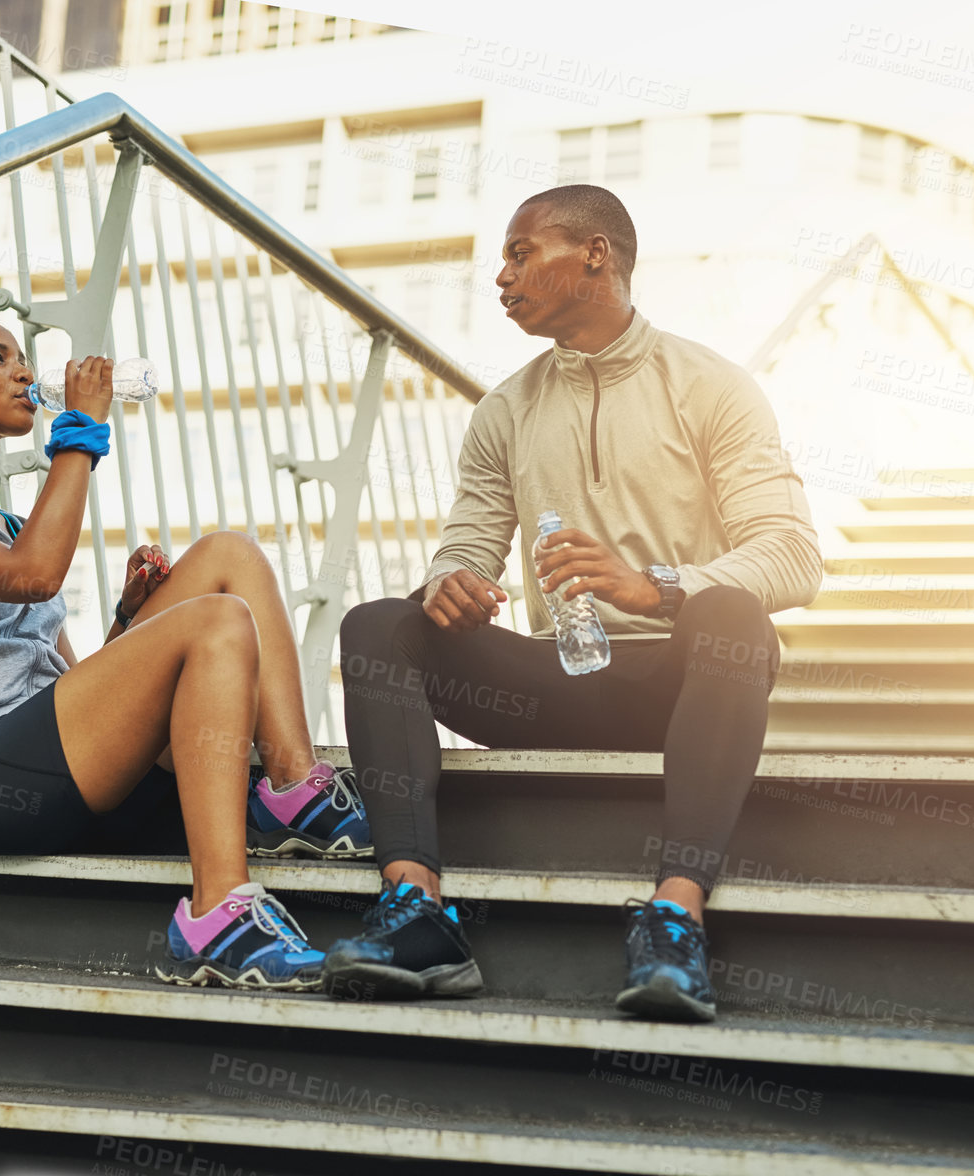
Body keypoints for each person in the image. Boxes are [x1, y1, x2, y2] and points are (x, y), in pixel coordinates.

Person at [323, 185, 824, 1020]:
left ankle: (674, 919)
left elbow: (793, 555)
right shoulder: (504, 410)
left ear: (594, 255)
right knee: (379, 623)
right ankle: (416, 911)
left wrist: (655, 586)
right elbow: (469, 540)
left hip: (679, 686)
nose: (502, 277)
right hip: (553, 680)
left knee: (733, 616)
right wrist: (454, 580)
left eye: (522, 253)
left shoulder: (711, 387)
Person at [0, 310, 370, 992]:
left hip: (57, 771)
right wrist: (80, 434)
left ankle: (292, 792)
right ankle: (217, 916)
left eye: (21, 359)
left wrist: (127, 622)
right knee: (213, 621)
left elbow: (71, 682)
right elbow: (32, 575)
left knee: (226, 557)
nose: (25, 372)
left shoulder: (8, 526)